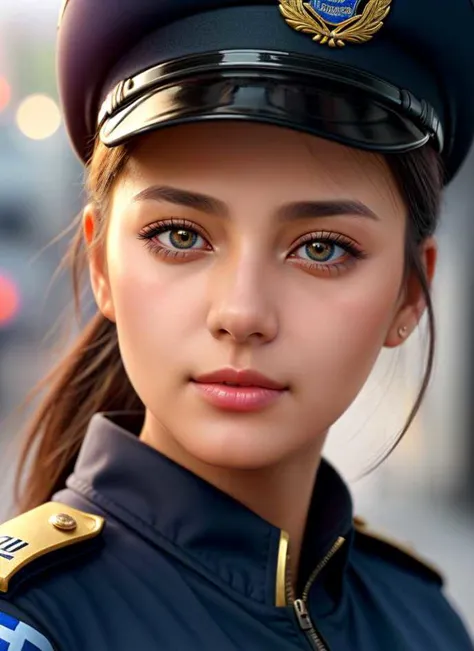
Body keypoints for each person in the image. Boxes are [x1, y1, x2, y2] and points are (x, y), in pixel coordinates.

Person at [0, 0, 473, 649]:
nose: (242, 313)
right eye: (180, 234)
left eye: (322, 247)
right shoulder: (33, 625)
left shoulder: (425, 621)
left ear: (408, 296)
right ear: (101, 264)